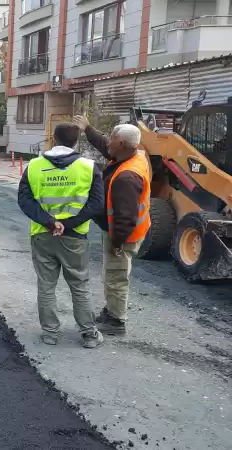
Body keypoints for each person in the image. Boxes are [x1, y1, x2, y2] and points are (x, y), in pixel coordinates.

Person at [18, 123, 106, 348]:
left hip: (42, 235)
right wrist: (67, 224)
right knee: (79, 285)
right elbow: (96, 204)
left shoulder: (34, 166)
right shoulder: (89, 167)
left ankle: (50, 333)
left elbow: (25, 200)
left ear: (53, 138)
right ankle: (88, 333)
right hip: (75, 237)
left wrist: (50, 223)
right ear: (76, 141)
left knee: (46, 285)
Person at [74, 115, 151, 336]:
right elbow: (107, 148)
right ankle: (112, 311)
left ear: (122, 144)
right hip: (129, 230)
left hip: (123, 235)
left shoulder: (126, 177)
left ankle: (116, 321)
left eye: (112, 140)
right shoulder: (134, 155)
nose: (108, 143)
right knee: (113, 273)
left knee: (116, 275)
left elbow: (125, 217)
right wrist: (88, 129)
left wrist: (117, 242)